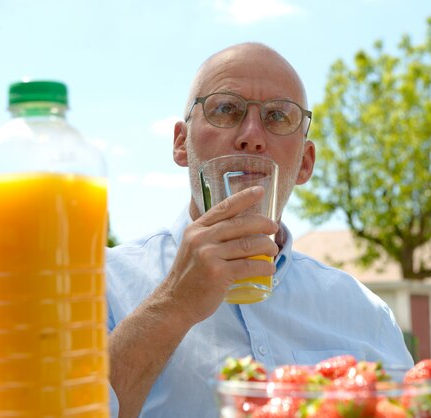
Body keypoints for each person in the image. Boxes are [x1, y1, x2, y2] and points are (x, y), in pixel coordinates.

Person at [106, 42, 413, 418]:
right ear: (181, 143)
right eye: (225, 109)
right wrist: (173, 303)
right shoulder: (98, 285)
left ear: (304, 163)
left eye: (278, 117)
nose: (252, 136)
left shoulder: (365, 313)